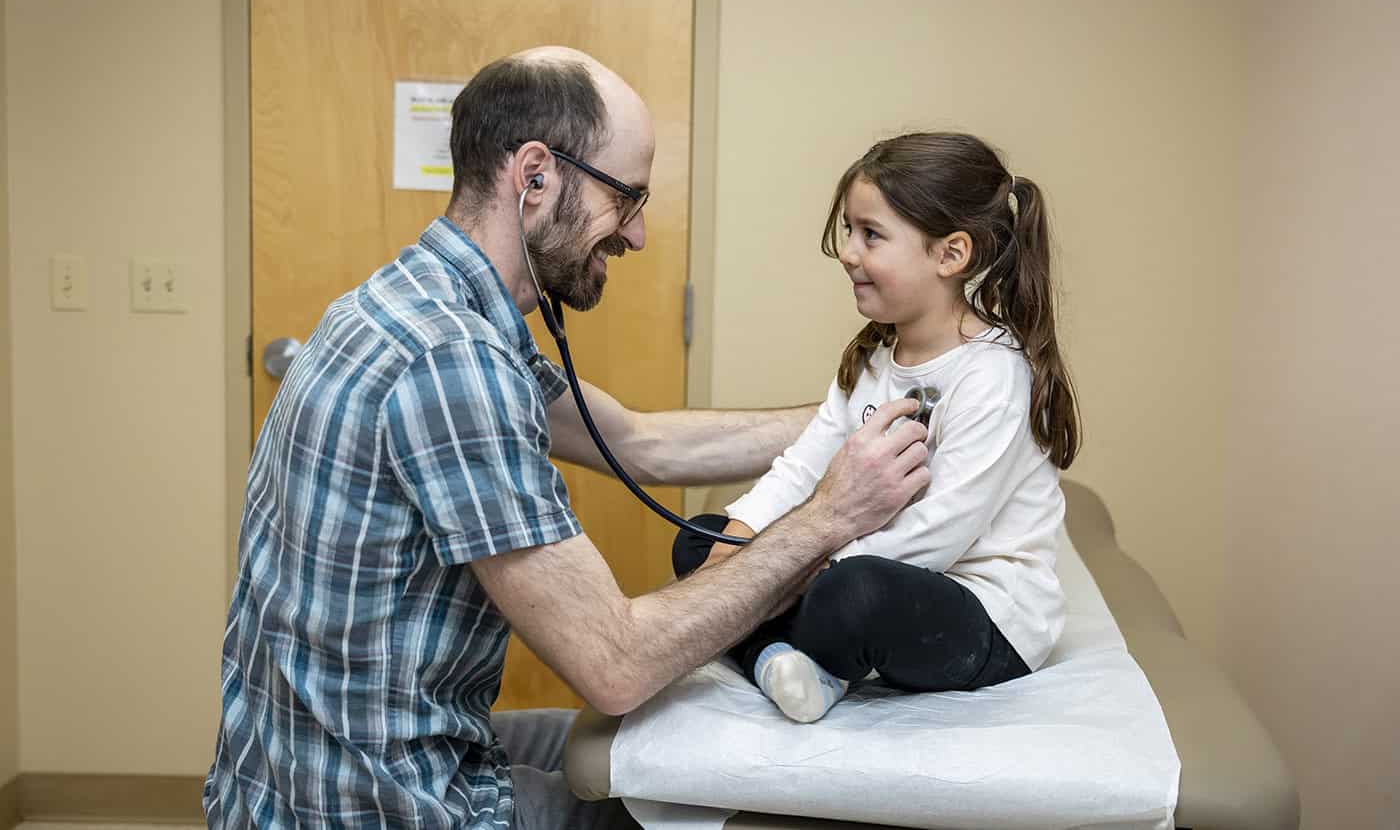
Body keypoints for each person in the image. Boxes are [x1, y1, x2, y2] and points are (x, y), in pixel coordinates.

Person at [203, 48, 931, 829]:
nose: (638, 234)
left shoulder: (413, 302)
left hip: (305, 770)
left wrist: (862, 415)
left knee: (677, 735)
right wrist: (830, 517)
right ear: (535, 176)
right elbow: (616, 664)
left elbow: (643, 444)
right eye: (626, 197)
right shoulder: (453, 364)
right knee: (716, 805)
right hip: (370, 807)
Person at [673, 132, 1081, 723]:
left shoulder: (994, 374)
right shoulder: (870, 359)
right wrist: (735, 547)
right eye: (849, 230)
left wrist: (793, 570)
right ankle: (781, 662)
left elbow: (942, 532)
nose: (848, 252)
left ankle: (776, 645)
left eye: (871, 234)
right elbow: (801, 468)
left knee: (852, 594)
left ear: (950, 255)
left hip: (979, 610)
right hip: (857, 566)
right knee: (699, 540)